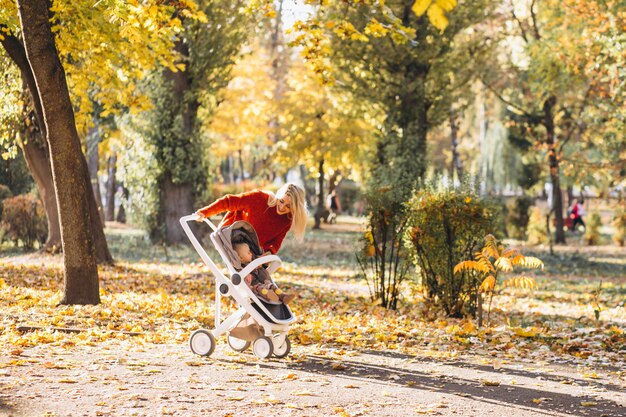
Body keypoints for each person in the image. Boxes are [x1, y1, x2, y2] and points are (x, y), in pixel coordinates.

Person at [195, 183, 308, 255]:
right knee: (247, 258)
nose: (282, 207)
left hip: (252, 251)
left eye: (288, 206)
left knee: (261, 277)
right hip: (231, 238)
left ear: (294, 209)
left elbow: (275, 243)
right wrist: (205, 212)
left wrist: (267, 255)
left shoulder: (286, 220)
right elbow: (228, 201)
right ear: (278, 196)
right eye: (281, 201)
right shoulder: (259, 198)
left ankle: (267, 291)